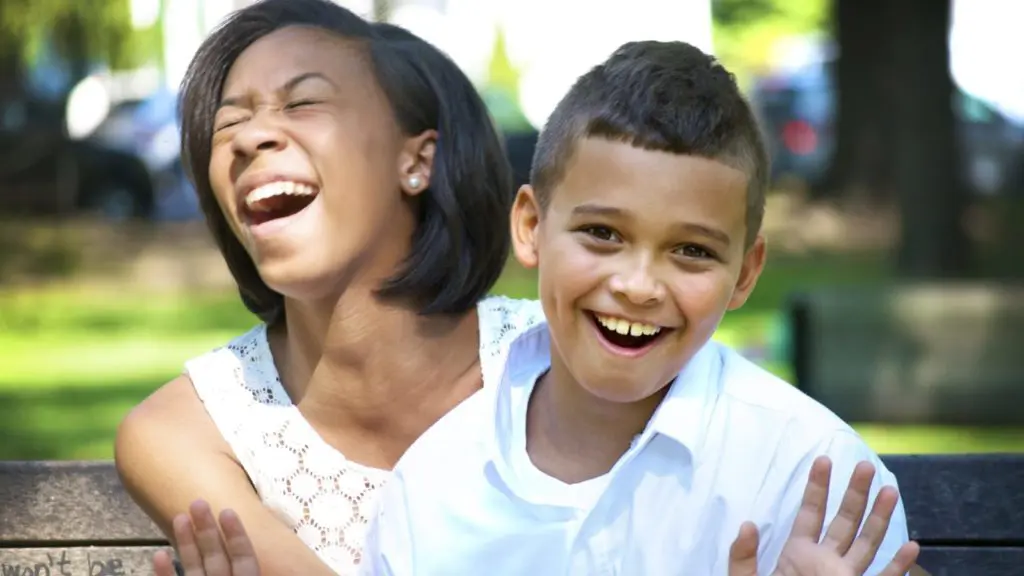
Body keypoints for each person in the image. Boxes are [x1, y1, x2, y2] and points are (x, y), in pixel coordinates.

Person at [356, 41, 915, 575]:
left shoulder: (809, 479)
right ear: (530, 227)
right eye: (603, 233)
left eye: (692, 251)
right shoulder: (435, 486)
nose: (639, 286)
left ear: (745, 273)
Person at [114, 1, 544, 574]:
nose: (251, 137)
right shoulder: (180, 434)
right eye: (229, 123)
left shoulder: (556, 360)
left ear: (416, 161)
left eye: (303, 103)